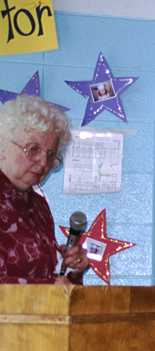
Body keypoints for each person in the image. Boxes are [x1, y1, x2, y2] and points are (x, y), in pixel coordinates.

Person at [0, 95, 89, 284]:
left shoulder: (39, 206)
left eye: (51, 155)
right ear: (2, 145)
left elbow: (49, 277)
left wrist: (71, 269)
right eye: (33, 149)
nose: (43, 164)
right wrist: (49, 288)